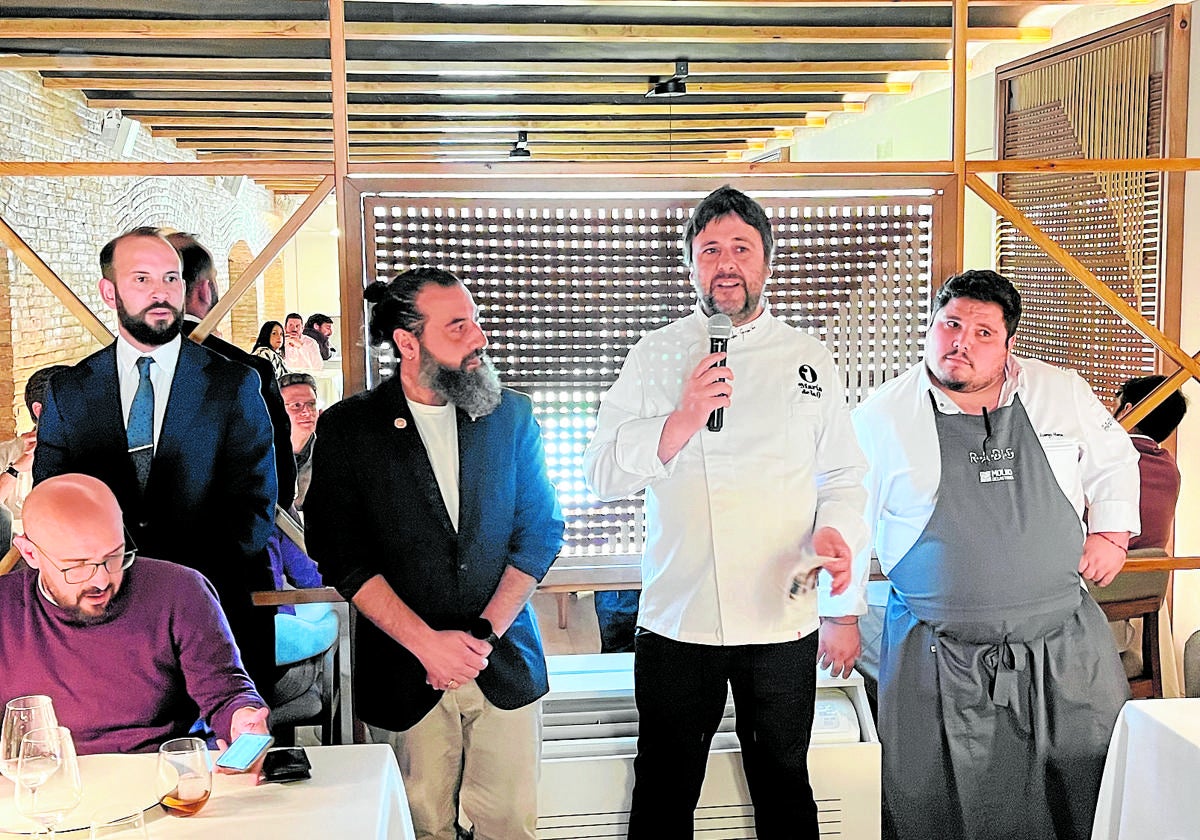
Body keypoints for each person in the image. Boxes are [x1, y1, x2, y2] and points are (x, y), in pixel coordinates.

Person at [583, 185, 869, 839]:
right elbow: (600, 474)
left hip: (780, 618)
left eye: (741, 247)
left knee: (785, 788)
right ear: (690, 265)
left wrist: (837, 537)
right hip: (678, 620)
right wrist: (679, 420)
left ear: (766, 261)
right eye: (709, 249)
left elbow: (846, 475)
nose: (726, 263)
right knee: (663, 791)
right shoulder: (654, 353)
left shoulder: (807, 356)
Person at [851, 269, 1138, 840]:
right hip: (938, 654)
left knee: (1087, 782)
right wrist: (838, 616)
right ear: (931, 328)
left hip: (1065, 645)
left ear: (1009, 346)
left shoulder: (1060, 392)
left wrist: (1112, 533)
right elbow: (845, 520)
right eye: (951, 324)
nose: (962, 341)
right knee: (939, 798)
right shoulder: (881, 417)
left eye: (984, 332)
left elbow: (1114, 460)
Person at [305, 267, 564, 840]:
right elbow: (340, 554)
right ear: (407, 341)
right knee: (421, 827)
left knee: (510, 827)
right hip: (404, 674)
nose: (479, 337)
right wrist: (429, 647)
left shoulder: (510, 416)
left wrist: (481, 640)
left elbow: (540, 533)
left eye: (474, 320)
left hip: (504, 663)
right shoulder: (350, 429)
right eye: (457, 326)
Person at [33, 226, 280, 693]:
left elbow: (253, 507)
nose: (161, 293)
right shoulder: (71, 391)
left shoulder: (234, 385)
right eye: (142, 280)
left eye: (171, 279)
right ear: (110, 292)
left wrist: (177, 591)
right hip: (102, 621)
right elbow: (54, 502)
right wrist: (105, 584)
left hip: (213, 615)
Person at [1, 474, 269, 756]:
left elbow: (226, 694)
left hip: (162, 776)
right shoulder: (5, 608)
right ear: (30, 553)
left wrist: (243, 720)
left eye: (114, 556)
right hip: (45, 784)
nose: (102, 580)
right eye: (77, 566)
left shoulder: (180, 590)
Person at [168, 232, 296, 511]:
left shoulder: (106, 371)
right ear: (205, 288)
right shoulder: (248, 371)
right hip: (230, 538)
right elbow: (278, 475)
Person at [1113, 374, 1187, 551]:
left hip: (1092, 572)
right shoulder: (1171, 470)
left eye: (1113, 409)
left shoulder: (1103, 457)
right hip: (1149, 575)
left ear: (1127, 410)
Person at [278, 371, 319, 512]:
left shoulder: (332, 453)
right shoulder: (261, 454)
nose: (307, 412)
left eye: (311, 404)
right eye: (296, 405)